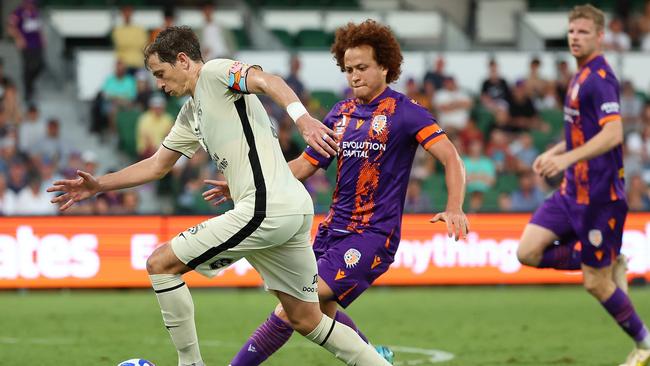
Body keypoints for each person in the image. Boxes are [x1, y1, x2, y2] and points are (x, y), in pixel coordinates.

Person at [47, 26, 390, 366]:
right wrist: (98, 186)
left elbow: (268, 81)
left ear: (183, 60)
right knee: (306, 319)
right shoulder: (190, 113)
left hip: (265, 208)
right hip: (290, 208)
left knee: (161, 265)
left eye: (161, 74)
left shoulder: (214, 73)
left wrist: (302, 120)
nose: (159, 85)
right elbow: (157, 166)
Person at [203, 19, 469, 366]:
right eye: (348, 69)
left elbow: (451, 157)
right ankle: (375, 357)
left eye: (362, 68)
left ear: (385, 66)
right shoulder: (341, 113)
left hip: (372, 236)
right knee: (319, 312)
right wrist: (247, 185)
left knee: (294, 308)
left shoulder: (406, 113)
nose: (354, 76)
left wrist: (455, 206)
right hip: (331, 231)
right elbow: (305, 164)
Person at [515, 5, 650, 366]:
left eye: (583, 32)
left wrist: (567, 160)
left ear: (600, 36)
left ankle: (645, 344)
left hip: (599, 197)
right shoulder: (578, 76)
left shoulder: (600, 78)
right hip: (570, 191)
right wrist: (556, 151)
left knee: (595, 283)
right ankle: (607, 258)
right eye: (572, 31)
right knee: (526, 252)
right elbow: (581, 132)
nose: (575, 37)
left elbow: (613, 133)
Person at [7, 0, 45, 102]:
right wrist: (19, 38)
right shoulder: (18, 13)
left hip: (37, 44)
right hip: (26, 46)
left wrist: (42, 38)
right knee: (28, 68)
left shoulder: (35, 12)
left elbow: (38, 27)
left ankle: (31, 84)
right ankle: (28, 92)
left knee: (40, 65)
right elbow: (10, 28)